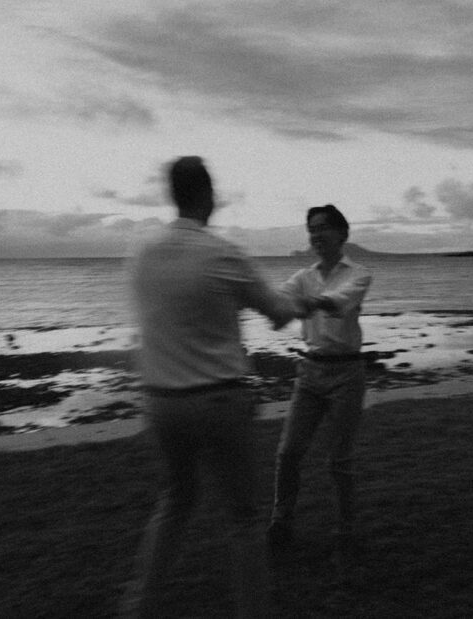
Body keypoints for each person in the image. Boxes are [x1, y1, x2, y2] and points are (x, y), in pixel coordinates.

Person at [119, 156, 298, 619]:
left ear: (174, 195)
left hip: (161, 403)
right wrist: (309, 300)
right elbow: (278, 313)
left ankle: (138, 609)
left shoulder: (141, 255)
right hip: (219, 400)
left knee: (176, 500)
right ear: (208, 195)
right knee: (243, 518)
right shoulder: (221, 253)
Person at [268, 204, 373, 551]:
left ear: (343, 234)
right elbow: (279, 298)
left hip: (347, 373)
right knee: (288, 453)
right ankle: (280, 522)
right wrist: (266, 304)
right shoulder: (302, 277)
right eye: (311, 229)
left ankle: (347, 527)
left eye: (323, 228)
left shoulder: (359, 274)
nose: (316, 235)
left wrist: (307, 305)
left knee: (339, 460)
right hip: (309, 373)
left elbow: (339, 301)